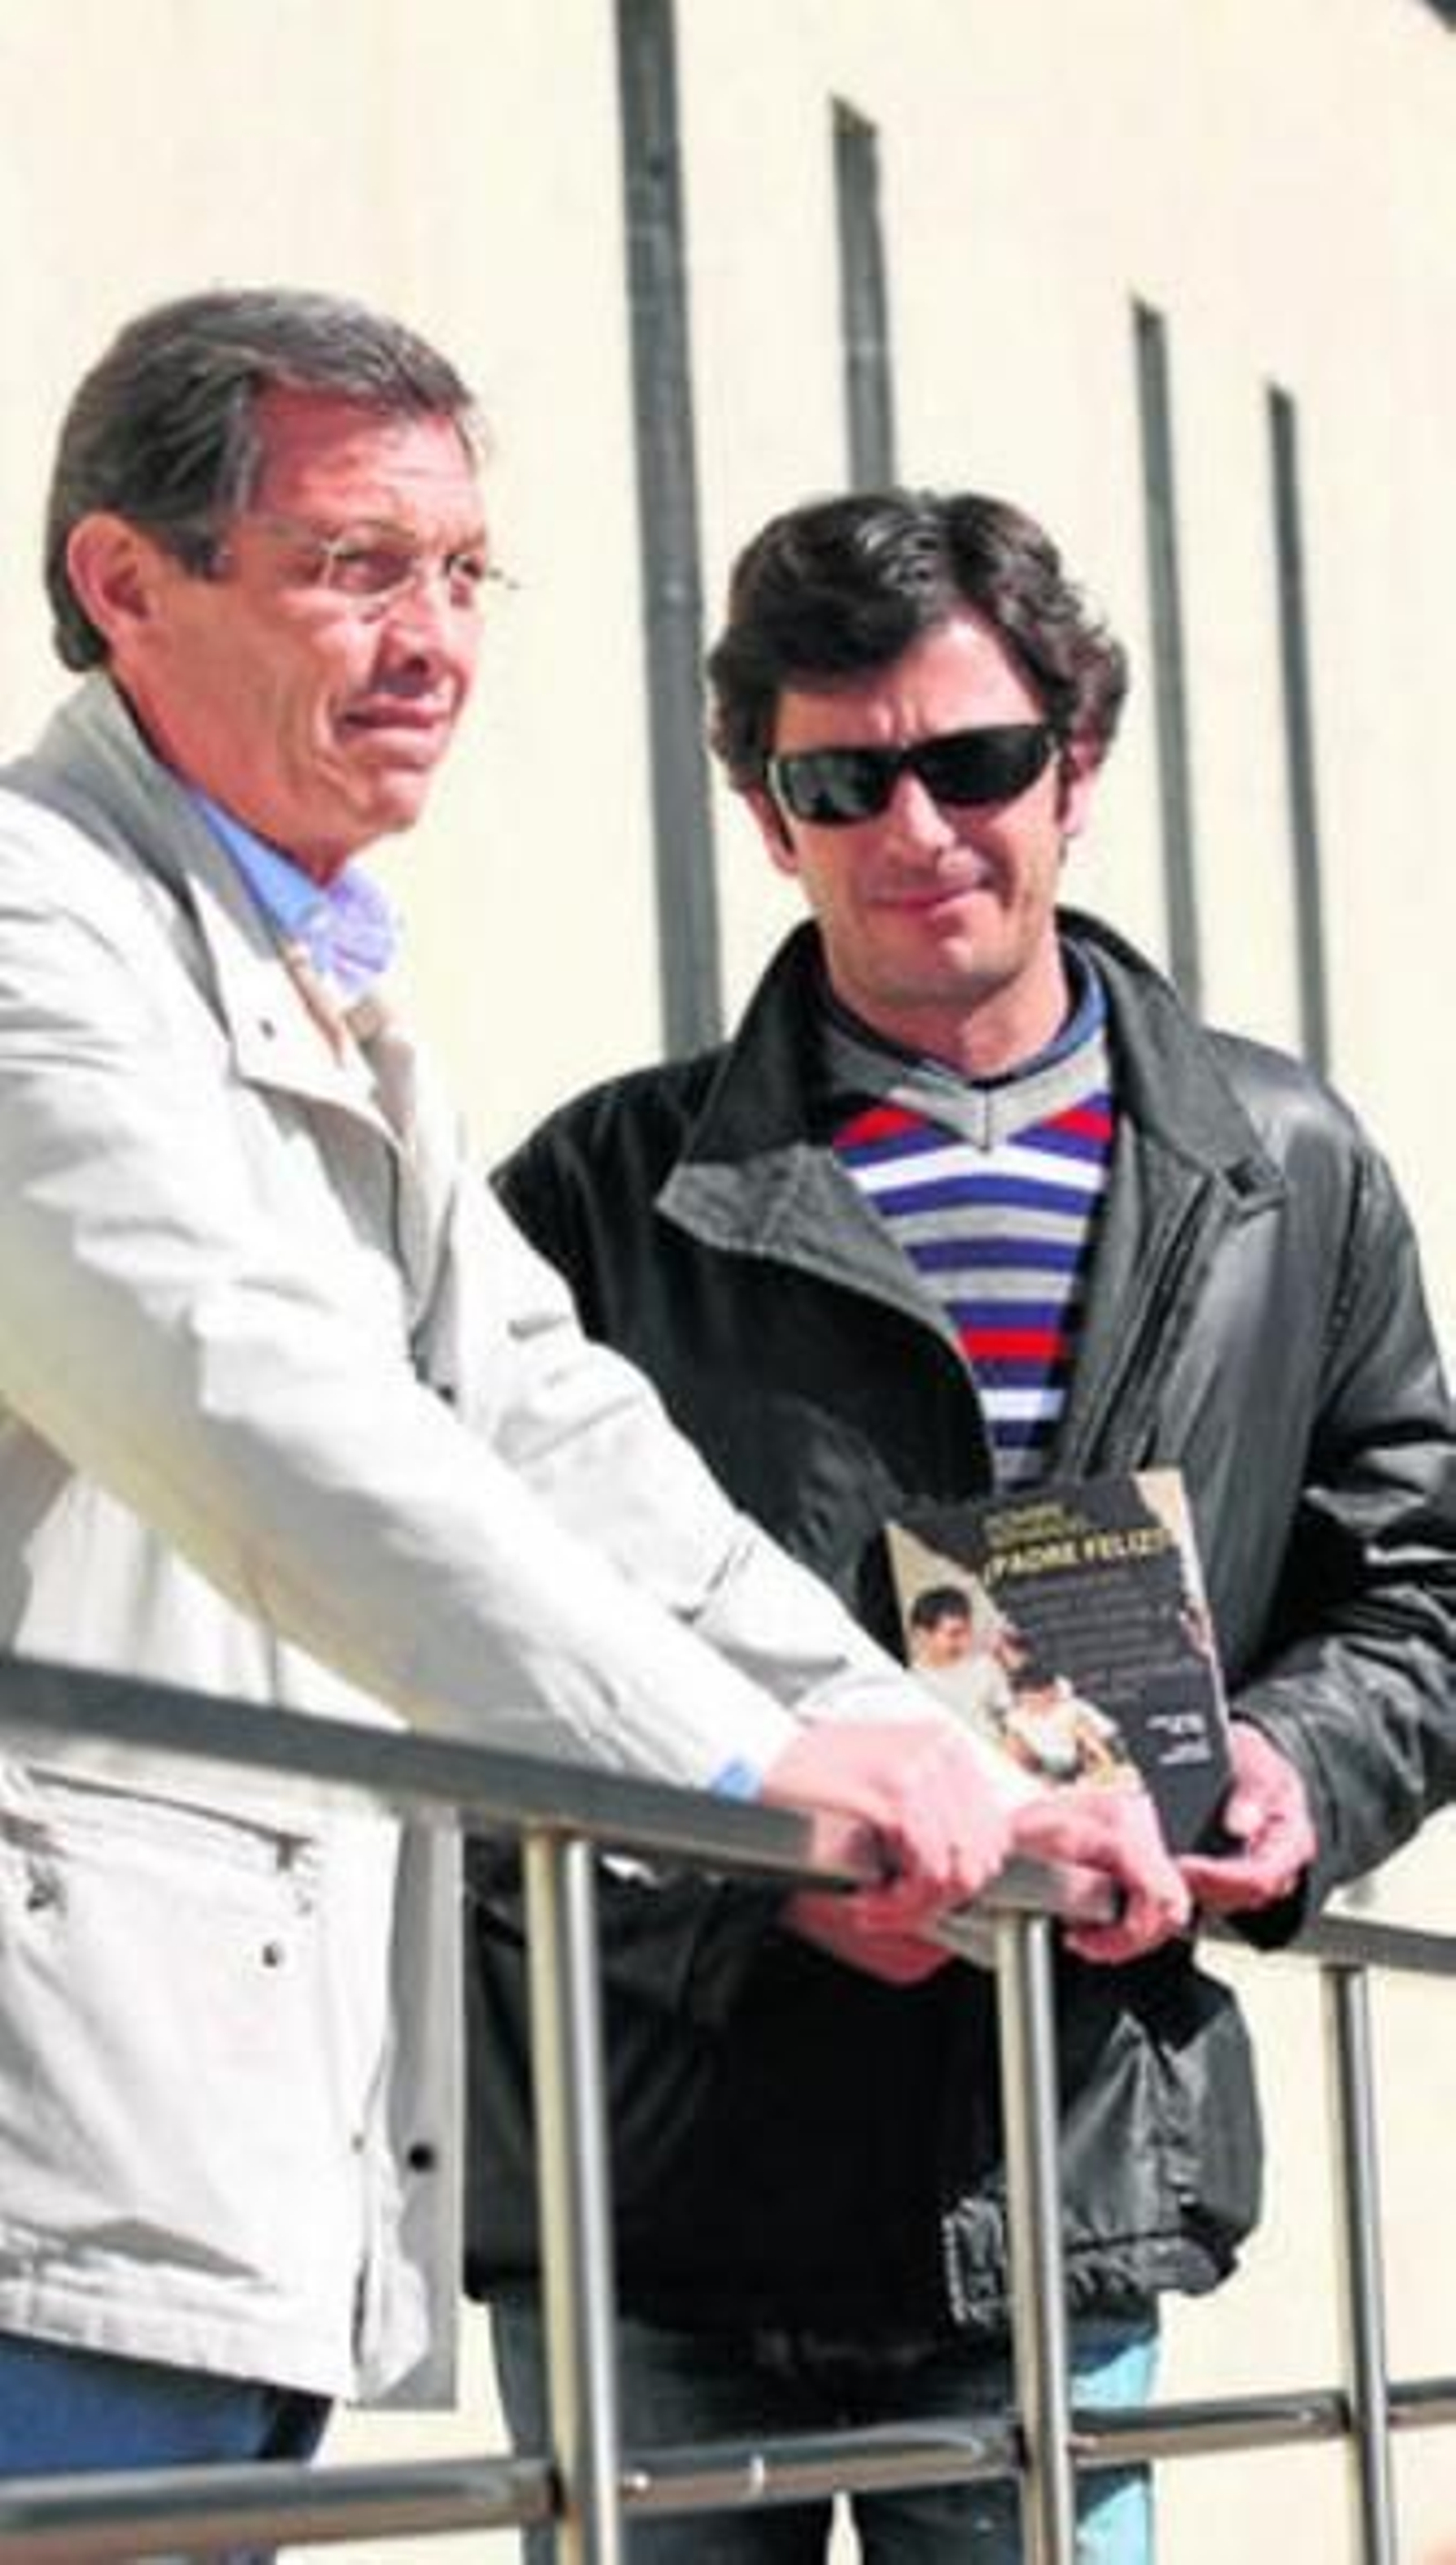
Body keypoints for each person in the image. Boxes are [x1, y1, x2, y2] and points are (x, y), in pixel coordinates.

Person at [0, 306, 1187, 2518]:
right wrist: (734, 1769)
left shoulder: (316, 978)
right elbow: (247, 1406)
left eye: (463, 573)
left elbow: (550, 1428)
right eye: (355, 563)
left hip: (192, 2143)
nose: (432, 638)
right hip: (56, 2167)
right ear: (123, 581)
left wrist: (957, 1765)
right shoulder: (33, 941)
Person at [467, 488, 1456, 2561]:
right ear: (768, 812)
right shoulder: (596, 1192)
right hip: (658, 2181)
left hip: (1058, 2156)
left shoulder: (1282, 1168)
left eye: (975, 760)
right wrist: (756, 1883)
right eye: (843, 777)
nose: (917, 828)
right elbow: (472, 1650)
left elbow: (1415, 1584)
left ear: (1071, 766)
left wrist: (1287, 1771)